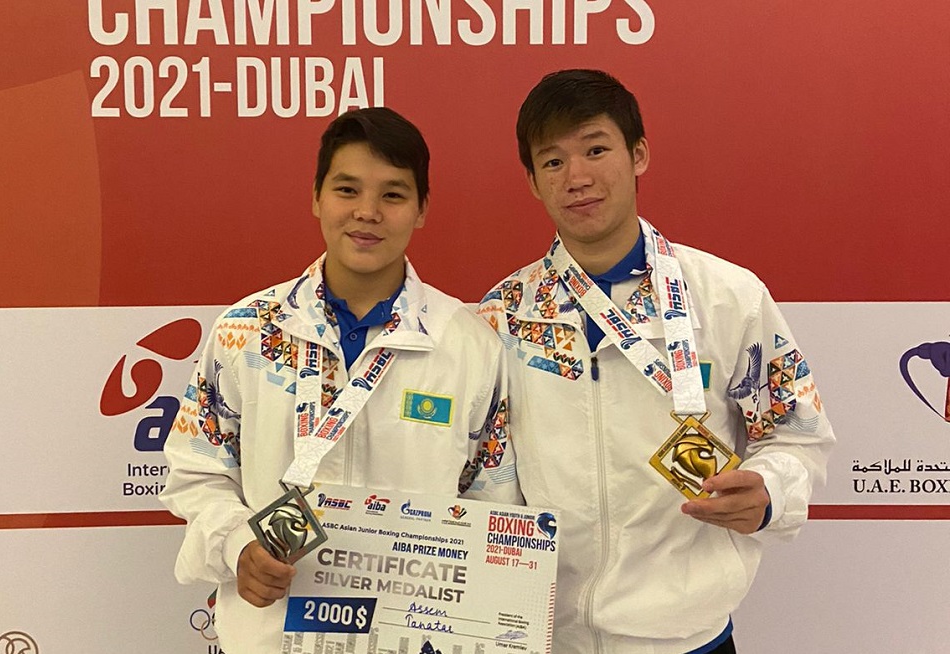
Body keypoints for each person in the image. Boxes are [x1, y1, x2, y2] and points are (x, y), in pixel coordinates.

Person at [477, 69, 835, 654]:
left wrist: (770, 489)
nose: (577, 177)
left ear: (638, 154)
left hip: (687, 638)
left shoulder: (727, 296)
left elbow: (797, 433)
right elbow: (486, 472)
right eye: (553, 161)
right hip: (546, 636)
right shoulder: (504, 313)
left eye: (596, 150)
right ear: (533, 182)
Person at [161, 107, 522, 653]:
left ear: (422, 209)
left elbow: (494, 501)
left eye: (393, 195)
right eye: (347, 190)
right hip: (272, 634)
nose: (367, 213)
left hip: (413, 637)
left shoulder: (468, 345)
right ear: (316, 197)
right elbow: (196, 473)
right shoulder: (247, 331)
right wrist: (237, 545)